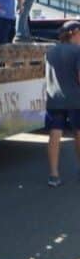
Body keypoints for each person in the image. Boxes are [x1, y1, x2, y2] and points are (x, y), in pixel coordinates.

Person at [44, 20, 80, 187]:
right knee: (78, 134)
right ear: (74, 33)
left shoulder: (50, 51)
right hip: (75, 99)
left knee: (55, 135)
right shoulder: (78, 51)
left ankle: (54, 175)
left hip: (54, 99)